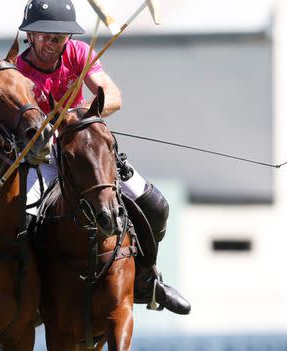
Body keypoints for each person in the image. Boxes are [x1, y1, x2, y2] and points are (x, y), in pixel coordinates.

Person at [17, 0, 191, 315]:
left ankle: (147, 281)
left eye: (60, 36)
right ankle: (30, 296)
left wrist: (77, 113)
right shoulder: (17, 73)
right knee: (23, 224)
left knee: (156, 206)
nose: (53, 42)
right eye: (45, 35)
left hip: (86, 151)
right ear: (29, 35)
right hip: (43, 159)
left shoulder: (80, 53)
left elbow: (113, 97)